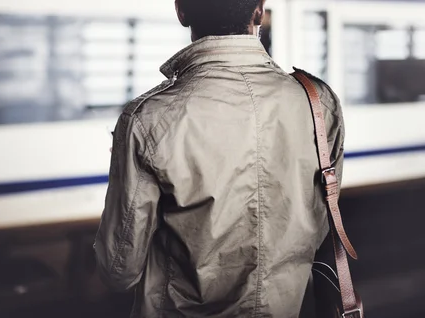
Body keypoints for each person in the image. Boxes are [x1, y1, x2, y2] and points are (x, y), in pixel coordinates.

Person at [93, 0, 345, 317]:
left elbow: (119, 270)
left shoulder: (149, 118)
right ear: (259, 11)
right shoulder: (318, 101)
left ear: (181, 11)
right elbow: (319, 225)